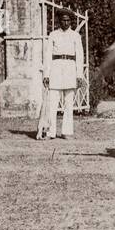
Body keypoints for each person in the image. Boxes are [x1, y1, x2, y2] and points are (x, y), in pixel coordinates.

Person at [42, 9, 84, 139]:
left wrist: (79, 75)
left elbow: (80, 56)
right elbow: (48, 55)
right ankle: (51, 132)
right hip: (56, 68)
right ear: (59, 21)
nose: (65, 22)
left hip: (70, 69)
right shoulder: (53, 35)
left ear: (71, 21)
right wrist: (46, 74)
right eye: (63, 20)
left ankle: (67, 132)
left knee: (68, 103)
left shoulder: (75, 36)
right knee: (52, 102)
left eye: (68, 20)